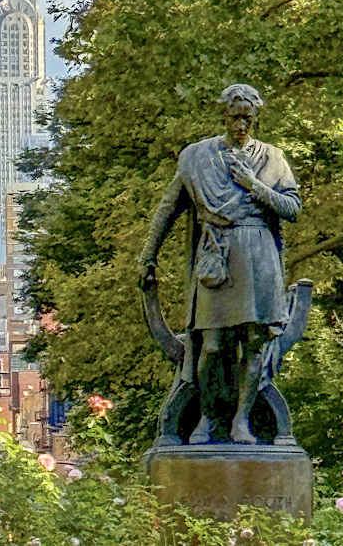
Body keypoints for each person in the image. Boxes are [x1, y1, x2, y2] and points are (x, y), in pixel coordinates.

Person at [139, 84, 301, 444]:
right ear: (223, 117)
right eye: (235, 117)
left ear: (256, 118)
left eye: (248, 118)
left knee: (253, 344)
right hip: (218, 258)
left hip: (258, 255)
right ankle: (209, 417)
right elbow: (169, 207)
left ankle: (241, 420)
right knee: (211, 346)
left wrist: (255, 185)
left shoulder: (273, 158)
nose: (241, 124)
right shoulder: (198, 158)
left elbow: (292, 208)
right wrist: (148, 253)